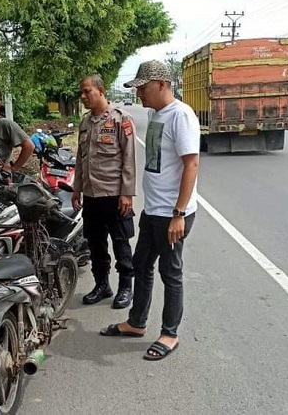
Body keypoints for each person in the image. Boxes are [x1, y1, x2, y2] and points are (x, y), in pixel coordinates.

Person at [100, 60, 200, 361]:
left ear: (161, 84)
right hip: (154, 210)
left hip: (172, 213)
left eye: (143, 88)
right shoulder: (157, 114)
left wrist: (179, 213)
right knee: (141, 265)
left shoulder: (181, 115)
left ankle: (170, 334)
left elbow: (191, 164)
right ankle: (137, 322)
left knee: (171, 273)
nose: (140, 94)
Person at [72, 75, 137, 309]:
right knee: (96, 244)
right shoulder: (85, 123)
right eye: (82, 92)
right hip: (91, 196)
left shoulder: (121, 120)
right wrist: (77, 188)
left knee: (121, 244)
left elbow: (129, 158)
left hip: (114, 195)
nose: (83, 96)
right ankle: (102, 285)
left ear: (100, 90)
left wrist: (127, 193)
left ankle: (125, 288)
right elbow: (81, 159)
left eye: (87, 91)